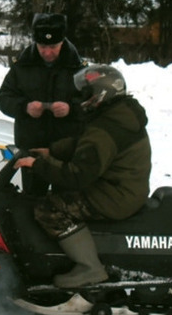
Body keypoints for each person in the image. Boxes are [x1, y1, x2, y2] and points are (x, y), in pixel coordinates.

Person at [13, 64, 152, 288]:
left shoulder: (106, 128)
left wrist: (39, 165)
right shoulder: (119, 114)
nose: (80, 99)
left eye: (85, 93)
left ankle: (90, 268)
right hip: (124, 186)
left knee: (49, 208)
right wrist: (53, 151)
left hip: (116, 196)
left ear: (100, 94)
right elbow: (86, 146)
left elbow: (77, 175)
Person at [0, 12, 86, 196]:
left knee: (66, 199)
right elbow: (4, 98)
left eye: (53, 46)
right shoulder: (23, 65)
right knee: (32, 202)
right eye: (42, 46)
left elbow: (92, 104)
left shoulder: (78, 68)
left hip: (66, 151)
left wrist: (71, 109)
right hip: (32, 148)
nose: (47, 52)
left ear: (62, 42)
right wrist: (25, 107)